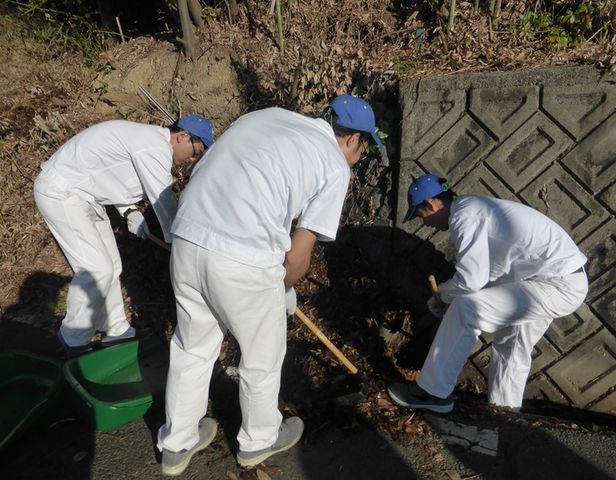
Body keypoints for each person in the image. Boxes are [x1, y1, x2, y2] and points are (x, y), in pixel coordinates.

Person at [156, 94, 383, 475]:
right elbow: (297, 256)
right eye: (364, 148)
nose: (359, 157)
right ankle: (259, 440)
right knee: (262, 354)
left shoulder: (267, 116)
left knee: (191, 346)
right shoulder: (333, 164)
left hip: (187, 239)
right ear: (353, 140)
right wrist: (282, 288)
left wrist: (278, 285)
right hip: (242, 256)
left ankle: (176, 443)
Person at [387, 174, 588, 414]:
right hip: (559, 280)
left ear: (431, 204)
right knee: (511, 344)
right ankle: (504, 413)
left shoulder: (464, 215)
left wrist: (443, 294)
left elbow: (472, 279)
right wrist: (450, 295)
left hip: (556, 283)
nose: (426, 225)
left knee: (467, 309)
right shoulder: (476, 209)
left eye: (422, 217)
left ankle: (432, 392)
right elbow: (492, 272)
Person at [33, 115, 214, 358]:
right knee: (96, 269)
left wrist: (129, 211)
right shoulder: (155, 147)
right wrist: (180, 242)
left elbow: (111, 175)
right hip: (61, 192)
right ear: (182, 136)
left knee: (113, 266)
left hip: (86, 196)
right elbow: (164, 200)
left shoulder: (148, 142)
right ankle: (72, 337)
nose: (192, 158)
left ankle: (116, 328)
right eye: (196, 150)